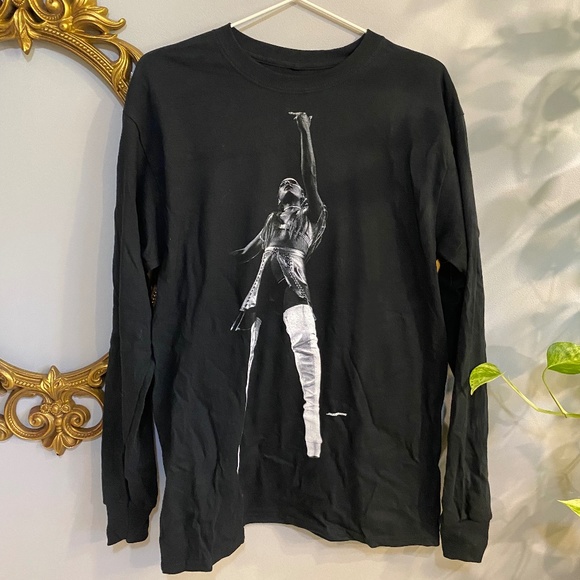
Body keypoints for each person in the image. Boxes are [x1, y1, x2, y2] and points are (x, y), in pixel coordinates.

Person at [230, 111, 327, 459]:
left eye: (293, 184)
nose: (288, 183)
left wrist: (304, 129)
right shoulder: (273, 220)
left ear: (303, 197)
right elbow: (246, 253)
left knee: (305, 346)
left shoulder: (312, 215)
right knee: (248, 354)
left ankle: (312, 435)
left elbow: (310, 174)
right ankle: (238, 434)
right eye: (283, 183)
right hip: (262, 287)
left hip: (292, 283)